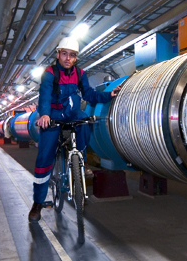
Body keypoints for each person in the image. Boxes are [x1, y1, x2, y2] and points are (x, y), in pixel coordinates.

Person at [29, 37, 121, 222]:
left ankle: (81, 160)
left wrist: (107, 95)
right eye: (64, 54)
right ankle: (37, 203)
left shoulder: (79, 74)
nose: (67, 58)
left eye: (72, 55)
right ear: (58, 54)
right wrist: (45, 115)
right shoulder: (50, 74)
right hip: (53, 115)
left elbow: (89, 94)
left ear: (76, 58)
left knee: (85, 122)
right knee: (44, 157)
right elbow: (45, 96)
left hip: (71, 113)